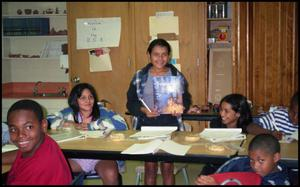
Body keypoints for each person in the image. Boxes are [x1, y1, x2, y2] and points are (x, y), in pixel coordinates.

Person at [126, 38, 192, 185]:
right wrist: (143, 110)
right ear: (149, 55)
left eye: (164, 54)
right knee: (150, 168)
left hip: (170, 124)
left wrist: (180, 108)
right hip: (147, 124)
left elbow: (186, 98)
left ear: (169, 56)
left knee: (167, 167)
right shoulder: (140, 76)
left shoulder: (176, 76)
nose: (160, 58)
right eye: (156, 54)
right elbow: (130, 102)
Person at [47, 83, 127, 185]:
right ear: (75, 100)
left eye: (91, 97)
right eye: (83, 98)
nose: (88, 101)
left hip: (101, 157)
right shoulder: (69, 112)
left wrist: (91, 126)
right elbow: (48, 119)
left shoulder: (103, 111)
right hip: (76, 158)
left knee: (110, 173)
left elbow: (122, 124)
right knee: (52, 167)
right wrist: (68, 124)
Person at [2, 99, 72, 185]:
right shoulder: (43, 142)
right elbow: (19, 154)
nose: (20, 135)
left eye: (29, 127)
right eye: (13, 129)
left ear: (43, 125)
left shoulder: (36, 169)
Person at [195, 134, 290, 185]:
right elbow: (216, 177)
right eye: (251, 160)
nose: (255, 166)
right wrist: (205, 181)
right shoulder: (238, 163)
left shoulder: (281, 181)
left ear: (275, 158)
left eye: (261, 160)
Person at [200, 93, 253, 175]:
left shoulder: (248, 127)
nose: (222, 114)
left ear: (238, 113)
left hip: (238, 167)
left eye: (226, 111)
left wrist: (271, 133)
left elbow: (255, 129)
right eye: (221, 109)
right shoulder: (216, 124)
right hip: (216, 165)